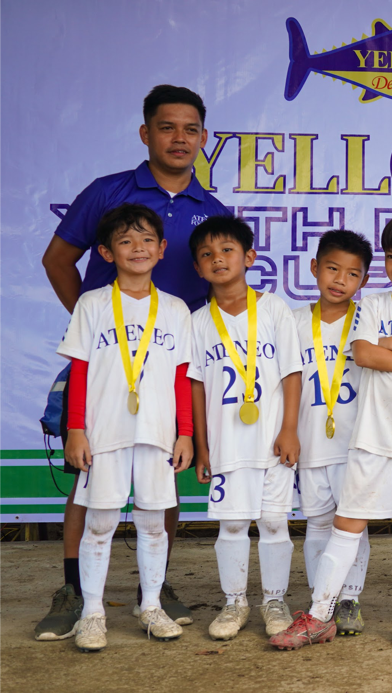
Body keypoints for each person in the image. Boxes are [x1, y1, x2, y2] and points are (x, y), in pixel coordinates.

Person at [36, 85, 229, 640]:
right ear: (146, 133)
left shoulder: (210, 211)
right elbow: (56, 260)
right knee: (86, 480)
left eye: (191, 129)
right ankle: (75, 591)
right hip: (105, 372)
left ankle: (156, 591)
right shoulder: (107, 192)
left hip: (171, 371)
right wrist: (97, 328)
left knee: (161, 480)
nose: (180, 139)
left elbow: (222, 285)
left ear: (203, 138)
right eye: (168, 128)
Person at [270, 210, 392, 649]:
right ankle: (320, 614)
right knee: (346, 523)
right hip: (373, 438)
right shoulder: (375, 304)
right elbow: (365, 355)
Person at [56, 204, 194, 651]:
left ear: (162, 249)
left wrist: (185, 431)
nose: (138, 248)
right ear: (106, 251)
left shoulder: (175, 310)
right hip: (103, 432)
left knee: (154, 525)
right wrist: (76, 428)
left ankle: (151, 605)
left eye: (147, 240)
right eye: (126, 241)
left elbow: (181, 377)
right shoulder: (92, 304)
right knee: (100, 524)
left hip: (157, 433)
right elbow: (79, 371)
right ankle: (92, 613)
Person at [188, 216, 302, 641]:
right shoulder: (198, 322)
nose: (218, 259)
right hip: (226, 443)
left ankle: (274, 599)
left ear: (248, 257)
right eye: (206, 255)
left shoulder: (272, 308)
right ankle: (234, 601)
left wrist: (289, 428)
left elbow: (292, 373)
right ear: (198, 269)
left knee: (274, 522)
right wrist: (202, 447)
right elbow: (197, 388)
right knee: (232, 525)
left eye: (227, 251)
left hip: (273, 440)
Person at [290, 230, 373, 637]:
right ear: (314, 268)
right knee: (318, 524)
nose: (340, 279)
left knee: (352, 525)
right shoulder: (291, 321)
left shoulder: (369, 318)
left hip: (357, 443)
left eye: (352, 274)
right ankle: (318, 597)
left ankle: (349, 600)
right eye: (332, 268)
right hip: (309, 441)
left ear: (364, 282)